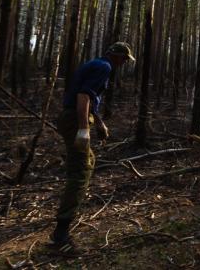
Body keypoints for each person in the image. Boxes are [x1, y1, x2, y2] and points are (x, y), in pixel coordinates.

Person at [49, 42, 135, 253]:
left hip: (71, 116)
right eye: (124, 59)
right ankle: (61, 232)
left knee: (88, 161)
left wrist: (99, 122)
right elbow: (83, 96)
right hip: (74, 118)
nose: (124, 63)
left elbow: (88, 97)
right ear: (115, 56)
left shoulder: (97, 64)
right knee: (81, 170)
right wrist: (83, 129)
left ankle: (67, 211)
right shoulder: (104, 67)